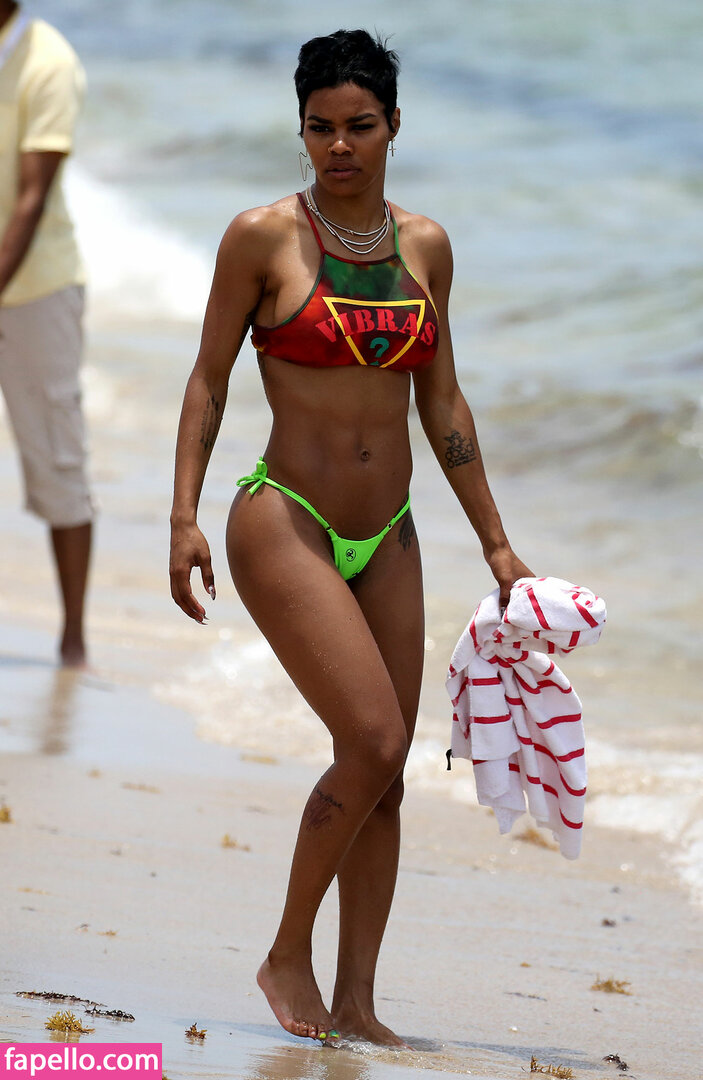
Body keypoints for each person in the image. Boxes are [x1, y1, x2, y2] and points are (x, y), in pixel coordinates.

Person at [170, 29, 531, 1047]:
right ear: (300, 130)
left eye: (359, 125)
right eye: (320, 127)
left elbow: (443, 401)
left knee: (387, 774)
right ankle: (285, 952)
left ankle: (358, 1004)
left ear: (393, 126)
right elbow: (208, 379)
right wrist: (182, 516)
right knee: (370, 741)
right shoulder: (262, 238)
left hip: (391, 534)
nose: (339, 145)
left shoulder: (426, 248)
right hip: (285, 519)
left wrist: (497, 545)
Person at [0, 1, 93, 667]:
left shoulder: (47, 59)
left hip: (37, 291)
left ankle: (73, 643)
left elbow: (32, 196)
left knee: (59, 463)